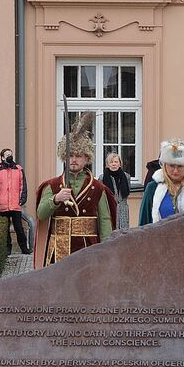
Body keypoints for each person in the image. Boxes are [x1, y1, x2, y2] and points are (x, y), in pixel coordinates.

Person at [35, 112, 116, 268]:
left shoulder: (98, 188)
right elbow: (41, 214)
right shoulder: (52, 185)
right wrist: (56, 199)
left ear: (86, 158)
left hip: (89, 247)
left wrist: (106, 250)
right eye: (70, 155)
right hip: (59, 247)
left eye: (78, 155)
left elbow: (105, 221)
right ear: (63, 157)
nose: (73, 159)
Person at [138, 139, 184, 226]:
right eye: (171, 165)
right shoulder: (153, 187)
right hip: (161, 238)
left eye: (180, 166)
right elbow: (144, 222)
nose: (175, 170)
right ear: (165, 165)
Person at [0, 148, 31, 254]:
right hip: (3, 204)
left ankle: (24, 248)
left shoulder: (18, 169)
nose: (9, 156)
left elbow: (23, 185)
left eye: (10, 154)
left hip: (15, 204)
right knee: (5, 229)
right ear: (3, 157)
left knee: (19, 228)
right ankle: (7, 249)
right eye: (7, 154)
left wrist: (22, 199)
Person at [98, 152, 131, 231]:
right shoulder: (102, 178)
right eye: (111, 162)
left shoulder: (126, 177)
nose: (114, 164)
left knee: (123, 235)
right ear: (107, 164)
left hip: (122, 210)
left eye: (116, 162)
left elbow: (127, 191)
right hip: (108, 210)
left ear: (120, 164)